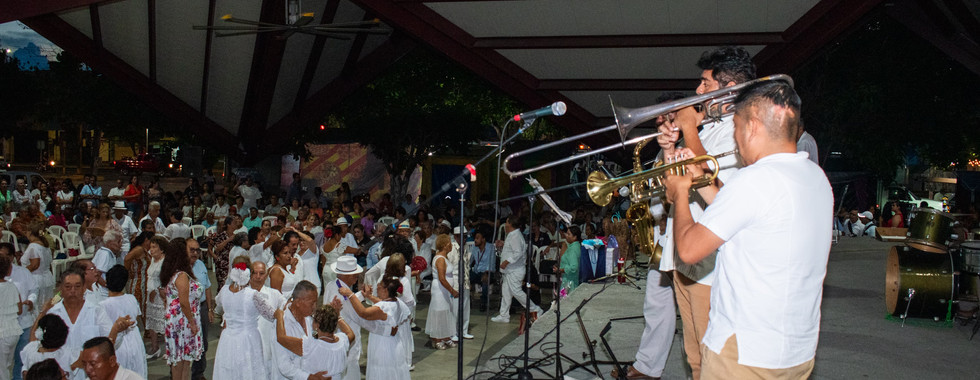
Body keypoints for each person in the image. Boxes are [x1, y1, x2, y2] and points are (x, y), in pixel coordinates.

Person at [663, 80, 830, 378]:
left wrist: (680, 196)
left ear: (752, 127)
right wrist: (700, 175)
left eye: (736, 127)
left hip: (742, 354)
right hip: (795, 352)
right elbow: (741, 215)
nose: (736, 139)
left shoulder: (753, 180)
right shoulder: (815, 178)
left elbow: (688, 250)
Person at [648, 46, 754, 380]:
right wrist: (668, 148)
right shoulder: (708, 128)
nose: (697, 91)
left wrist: (690, 129)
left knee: (713, 360)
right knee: (694, 356)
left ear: (729, 88)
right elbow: (673, 188)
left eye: (705, 84)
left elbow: (719, 190)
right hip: (685, 257)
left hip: (712, 268)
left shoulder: (742, 132)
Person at [35, 269, 132, 380]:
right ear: (60, 289)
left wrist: (117, 330)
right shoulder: (53, 313)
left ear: (83, 288)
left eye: (77, 287)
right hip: (60, 374)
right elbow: (40, 345)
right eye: (68, 287)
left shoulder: (96, 310)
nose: (73, 291)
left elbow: (109, 343)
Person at [212, 256, 274, 380]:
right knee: (248, 369)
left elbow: (218, 306)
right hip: (248, 339)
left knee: (229, 369)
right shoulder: (253, 295)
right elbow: (271, 315)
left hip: (228, 338)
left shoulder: (224, 291)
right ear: (249, 273)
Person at [338, 277, 410, 380]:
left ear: (385, 290)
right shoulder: (397, 301)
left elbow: (363, 313)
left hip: (382, 345)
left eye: (379, 286)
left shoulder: (383, 308)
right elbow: (382, 302)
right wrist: (369, 296)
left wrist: (350, 294)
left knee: (382, 371)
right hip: (394, 342)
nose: (377, 287)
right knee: (393, 370)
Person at [160, 238, 203, 380]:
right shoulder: (182, 275)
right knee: (180, 360)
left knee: (184, 359)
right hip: (183, 320)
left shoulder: (173, 273)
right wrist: (192, 322)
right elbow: (184, 302)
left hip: (178, 319)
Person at [273, 304, 353, 379]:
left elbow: (281, 338)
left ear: (317, 325)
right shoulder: (342, 342)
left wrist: (279, 316)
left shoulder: (310, 345)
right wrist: (338, 317)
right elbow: (351, 334)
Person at [275, 280, 331, 380]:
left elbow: (315, 340)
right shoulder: (281, 324)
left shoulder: (310, 319)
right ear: (298, 302)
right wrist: (308, 377)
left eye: (316, 302)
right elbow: (284, 366)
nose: (315, 307)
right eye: (312, 303)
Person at [491, 216, 542, 323]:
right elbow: (514, 248)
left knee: (516, 292)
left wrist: (506, 261)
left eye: (506, 222)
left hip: (515, 270)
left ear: (510, 224)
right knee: (506, 292)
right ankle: (504, 315)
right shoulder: (513, 235)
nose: (505, 225)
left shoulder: (515, 236)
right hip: (510, 271)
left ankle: (535, 309)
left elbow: (518, 252)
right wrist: (503, 244)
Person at [98, 266, 146, 377]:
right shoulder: (131, 298)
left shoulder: (103, 305)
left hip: (117, 342)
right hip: (135, 339)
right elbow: (137, 318)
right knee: (137, 372)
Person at [2, 242, 39, 380]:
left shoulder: (23, 272)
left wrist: (31, 301)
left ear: (13, 256)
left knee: (22, 360)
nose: (4, 259)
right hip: (5, 327)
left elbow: (34, 290)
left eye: (7, 255)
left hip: (24, 323)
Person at [247, 261, 286, 379]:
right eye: (255, 273)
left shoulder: (274, 294)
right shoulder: (242, 294)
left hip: (267, 346)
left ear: (266, 275)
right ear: (249, 274)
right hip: (247, 345)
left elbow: (287, 307)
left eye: (261, 273)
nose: (258, 277)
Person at [187, 238, 213, 380]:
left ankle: (198, 373)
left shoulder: (201, 265)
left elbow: (208, 287)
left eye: (197, 250)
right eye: (192, 250)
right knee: (185, 343)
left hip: (201, 307)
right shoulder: (179, 269)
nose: (195, 253)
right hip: (185, 311)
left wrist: (209, 309)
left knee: (202, 342)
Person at [426, 235, 458, 349]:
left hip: (444, 290)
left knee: (447, 312)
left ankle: (446, 337)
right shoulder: (440, 259)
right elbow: (442, 278)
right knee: (439, 312)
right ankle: (437, 338)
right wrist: (452, 290)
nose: (451, 245)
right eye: (449, 243)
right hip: (440, 290)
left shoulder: (445, 257)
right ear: (445, 245)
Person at [143, 236, 167, 359]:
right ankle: (154, 348)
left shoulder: (164, 262)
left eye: (154, 247)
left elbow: (165, 280)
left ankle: (169, 349)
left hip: (160, 295)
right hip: (150, 295)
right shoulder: (153, 259)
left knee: (163, 322)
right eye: (150, 247)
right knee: (152, 321)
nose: (151, 250)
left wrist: (156, 290)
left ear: (161, 249)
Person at [21, 224, 54, 307]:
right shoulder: (45, 245)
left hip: (36, 280)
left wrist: (21, 273)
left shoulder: (33, 246)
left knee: (37, 307)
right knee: (45, 305)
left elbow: (34, 265)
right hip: (47, 278)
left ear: (30, 232)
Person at [0, 256, 21, 380]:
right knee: (6, 366)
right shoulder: (12, 287)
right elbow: (19, 310)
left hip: (1, 332)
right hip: (13, 331)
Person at [469, 228, 495, 312]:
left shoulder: (491, 248)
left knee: (485, 279)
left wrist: (486, 273)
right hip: (477, 272)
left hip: (488, 272)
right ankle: (466, 300)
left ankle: (483, 302)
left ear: (483, 239)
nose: (475, 240)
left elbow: (492, 264)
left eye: (477, 238)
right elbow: (469, 261)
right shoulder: (474, 248)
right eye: (475, 238)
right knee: (465, 276)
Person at [557, 225, 582, 292]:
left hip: (570, 283)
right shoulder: (574, 246)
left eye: (569, 234)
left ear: (574, 237)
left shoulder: (573, 249)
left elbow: (574, 267)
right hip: (567, 279)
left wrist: (562, 270)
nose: (566, 236)